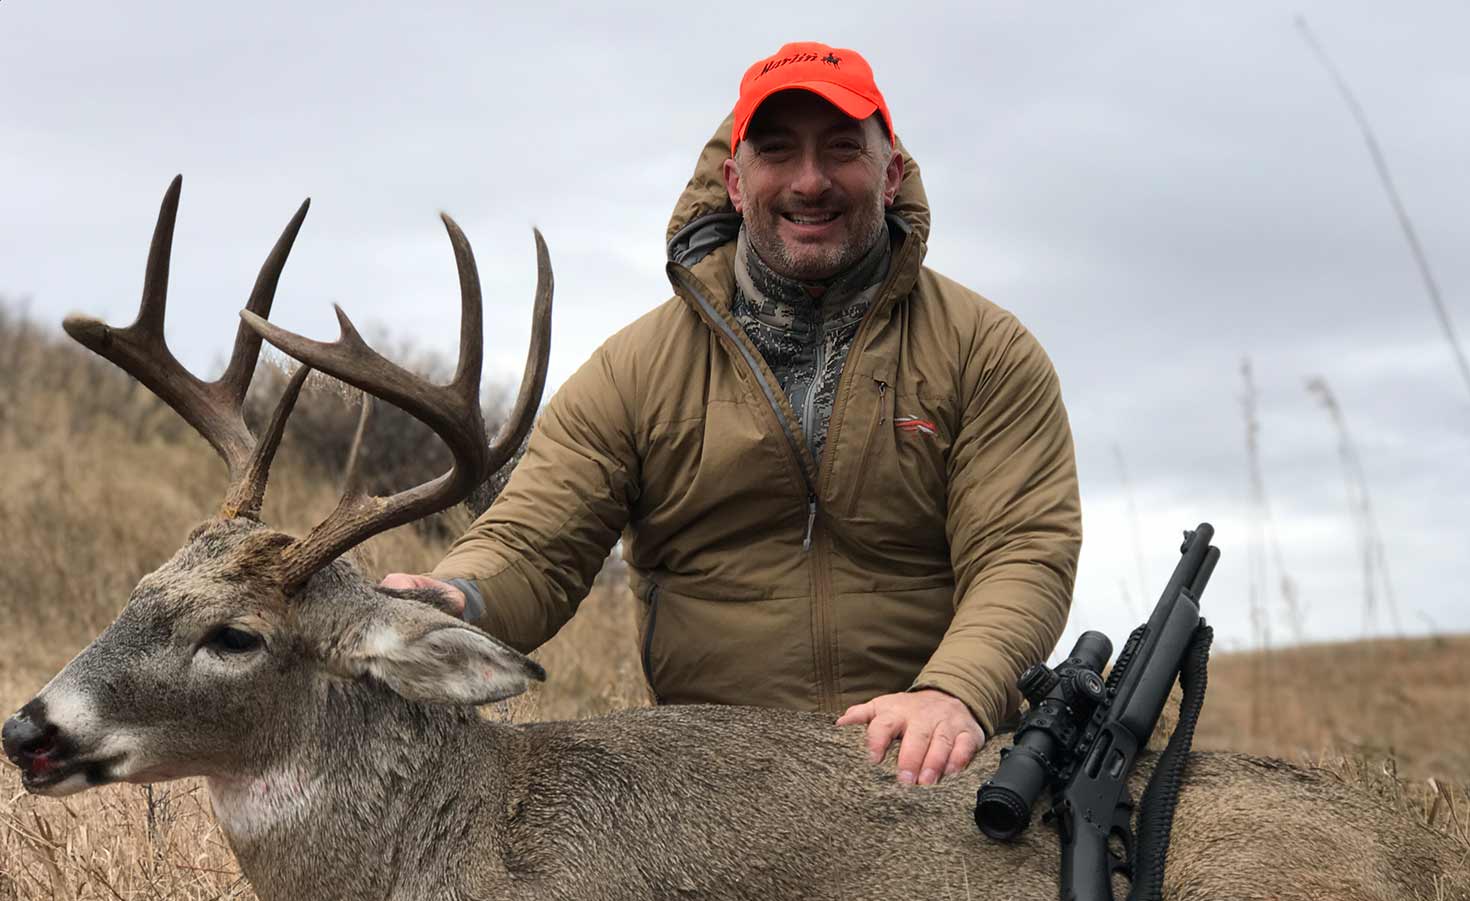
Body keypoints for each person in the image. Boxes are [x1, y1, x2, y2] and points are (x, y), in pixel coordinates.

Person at [383, 42, 1081, 787]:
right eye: (777, 152)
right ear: (735, 184)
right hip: (713, 787)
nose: (810, 181)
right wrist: (456, 595)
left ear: (892, 172)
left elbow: (1022, 549)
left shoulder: (984, 351)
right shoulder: (636, 371)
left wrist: (957, 690)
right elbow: (534, 544)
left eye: (842, 149)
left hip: (932, 763)